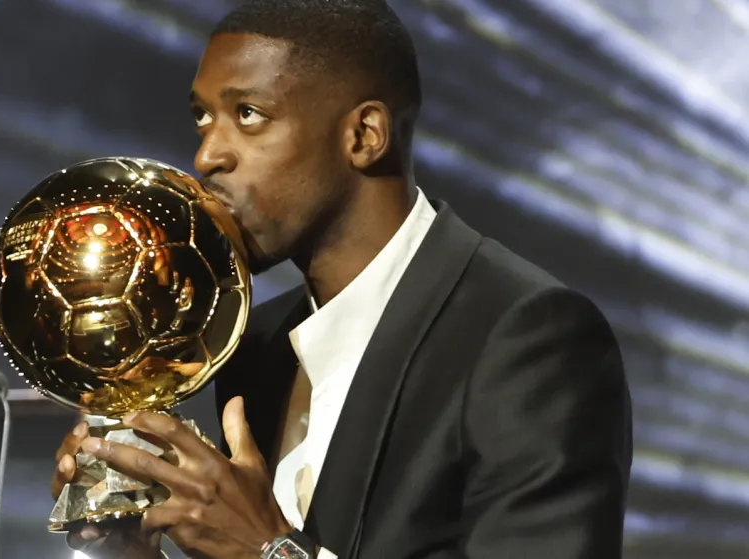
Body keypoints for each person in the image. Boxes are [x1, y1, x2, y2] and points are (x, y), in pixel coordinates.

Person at [52, 1, 634, 557]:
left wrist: (267, 551)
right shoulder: (254, 345)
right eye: (203, 117)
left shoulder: (529, 340)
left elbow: (260, 546)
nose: (207, 156)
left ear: (364, 136)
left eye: (247, 114)